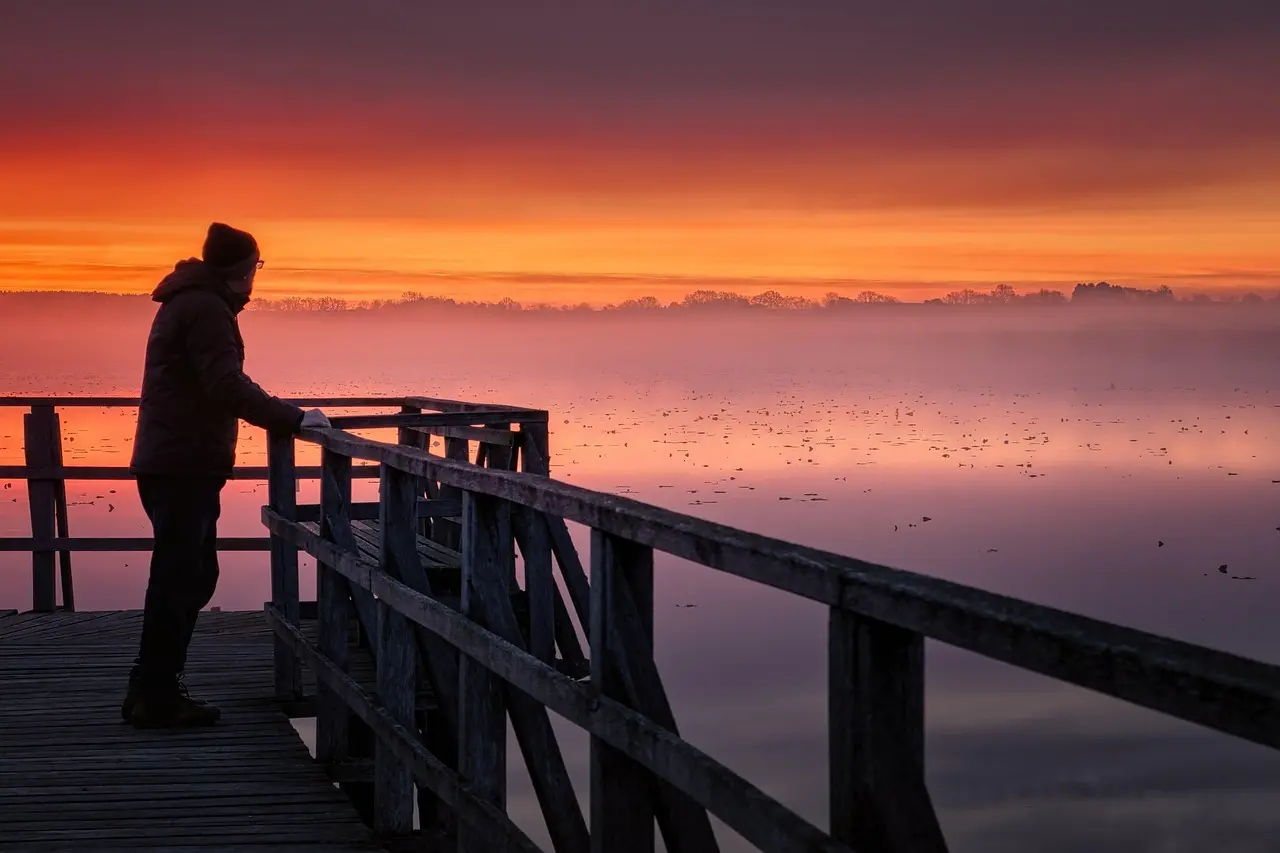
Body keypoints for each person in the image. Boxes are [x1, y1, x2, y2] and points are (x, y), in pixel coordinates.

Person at [123, 222, 330, 728]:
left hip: (174, 460)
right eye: (256, 267)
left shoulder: (190, 302)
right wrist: (294, 418)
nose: (255, 280)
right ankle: (155, 696)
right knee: (181, 577)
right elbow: (225, 385)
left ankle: (150, 689)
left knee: (189, 574)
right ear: (241, 270)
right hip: (183, 464)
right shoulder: (206, 309)